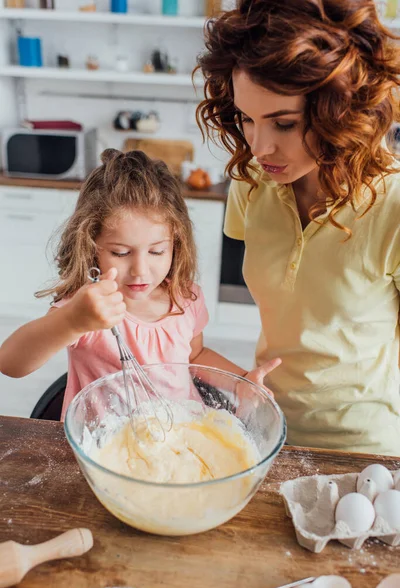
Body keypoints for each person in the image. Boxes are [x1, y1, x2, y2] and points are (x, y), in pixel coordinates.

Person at [196, 0, 400, 454]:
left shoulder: (394, 207)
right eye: (247, 119)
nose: (260, 145)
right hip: (268, 428)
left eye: (283, 123)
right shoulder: (251, 182)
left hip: (366, 449)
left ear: (338, 110)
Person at [0, 149, 280, 420]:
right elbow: (10, 363)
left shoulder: (185, 297)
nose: (140, 270)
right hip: (105, 446)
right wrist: (71, 322)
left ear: (176, 244)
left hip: (180, 431)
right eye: (121, 253)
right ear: (91, 246)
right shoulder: (89, 307)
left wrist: (241, 381)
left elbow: (195, 355)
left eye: (157, 252)